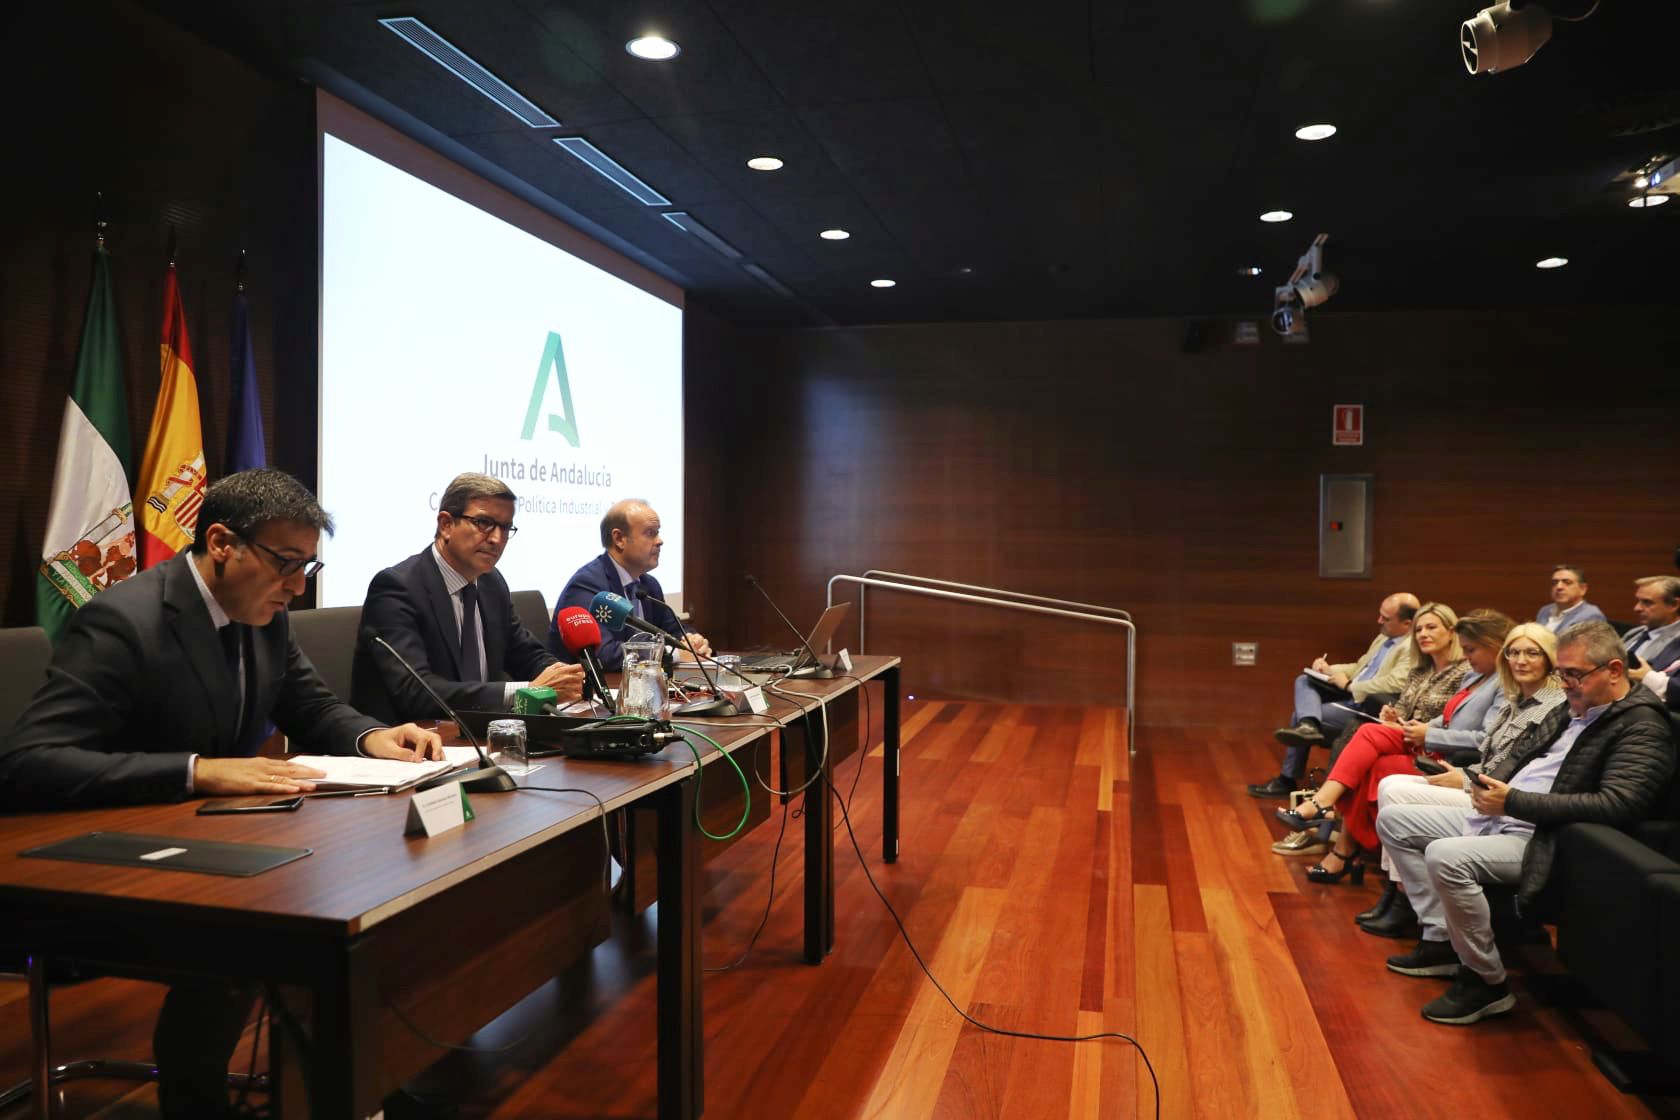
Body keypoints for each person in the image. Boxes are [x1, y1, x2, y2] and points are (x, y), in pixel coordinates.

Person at [0, 468, 444, 1117]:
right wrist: (194, 769)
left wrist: (373, 737)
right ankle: (198, 1100)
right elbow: (27, 761)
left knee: (360, 894)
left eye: (309, 565)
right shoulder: (125, 622)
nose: (298, 586)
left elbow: (310, 705)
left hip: (208, 843)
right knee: (261, 930)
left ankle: (357, 1085)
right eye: (286, 563)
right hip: (100, 866)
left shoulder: (264, 614)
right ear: (221, 542)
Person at [1376, 621, 1675, 1025]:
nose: (1565, 683)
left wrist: (1513, 800)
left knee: (1445, 856)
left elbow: (1619, 803)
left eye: (1574, 674)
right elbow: (1520, 754)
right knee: (1395, 819)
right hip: (1507, 814)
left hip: (1550, 838)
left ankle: (1486, 982)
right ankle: (1442, 938)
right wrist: (1479, 783)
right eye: (1563, 673)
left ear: (1615, 671)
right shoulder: (1573, 708)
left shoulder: (1642, 725)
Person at [1359, 622, 1567, 937]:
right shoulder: (1514, 699)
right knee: (1390, 784)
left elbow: (1517, 769)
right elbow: (1491, 753)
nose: (1521, 660)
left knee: (1395, 790)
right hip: (1476, 776)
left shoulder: (1553, 706)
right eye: (1514, 653)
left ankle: (1405, 901)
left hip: (1496, 797)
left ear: (1550, 659)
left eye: (1532, 653)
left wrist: (1466, 779)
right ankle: (1397, 892)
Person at [352, 472, 583, 723]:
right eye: (484, 523)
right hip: (409, 743)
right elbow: (416, 692)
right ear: (446, 524)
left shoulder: (491, 583)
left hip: (478, 736)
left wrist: (566, 677)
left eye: (505, 527)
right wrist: (527, 692)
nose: (496, 539)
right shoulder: (397, 588)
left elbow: (526, 654)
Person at [1274, 603, 1473, 882]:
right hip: (1406, 738)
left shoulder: (1465, 672)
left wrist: (1417, 727)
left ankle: (1326, 814)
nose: (1423, 634)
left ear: (1451, 632)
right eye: (1419, 630)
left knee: (1365, 734)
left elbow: (1454, 720)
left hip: (1435, 747)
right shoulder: (1420, 670)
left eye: (1431, 628)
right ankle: (1340, 844)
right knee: (1368, 753)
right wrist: (1393, 716)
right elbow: (1404, 707)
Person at [1247, 593, 1420, 799]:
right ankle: (1308, 725)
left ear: (1407, 623)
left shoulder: (1411, 648)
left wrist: (1349, 685)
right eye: (1380, 615)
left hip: (1371, 705)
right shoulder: (1385, 637)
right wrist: (1329, 669)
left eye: (1386, 618)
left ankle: (1294, 761)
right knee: (1305, 680)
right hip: (1352, 690)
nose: (1379, 621)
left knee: (1300, 715)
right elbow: (1360, 666)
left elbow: (1394, 684)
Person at [549, 498, 711, 671]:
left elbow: (672, 629)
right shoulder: (587, 584)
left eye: (658, 532)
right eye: (650, 533)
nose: (660, 541)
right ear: (619, 539)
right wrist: (674, 654)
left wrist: (692, 640)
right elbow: (604, 655)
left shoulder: (649, 585)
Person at [1622, 575, 1680, 697]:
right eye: (1638, 601)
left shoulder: (1677, 644)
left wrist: (1647, 677)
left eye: (1647, 603)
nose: (1637, 608)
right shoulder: (1634, 633)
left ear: (1674, 605)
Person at [1535, 564, 1606, 632]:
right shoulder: (1544, 610)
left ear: (1582, 589)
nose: (1559, 587)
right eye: (1555, 582)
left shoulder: (1591, 615)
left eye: (1567, 582)